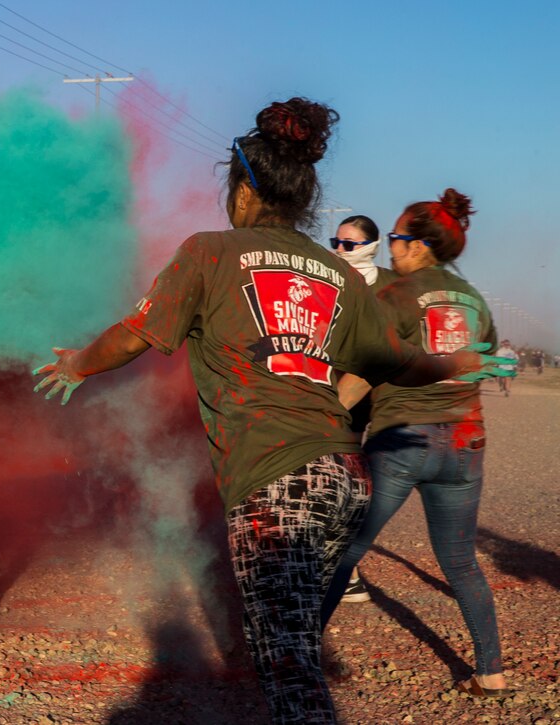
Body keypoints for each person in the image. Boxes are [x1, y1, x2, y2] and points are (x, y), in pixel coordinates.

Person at [33, 99, 511, 724]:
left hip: (274, 486)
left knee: (290, 677)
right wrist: (460, 364)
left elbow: (132, 335)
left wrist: (76, 366)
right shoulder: (337, 274)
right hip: (344, 478)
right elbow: (401, 362)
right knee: (295, 649)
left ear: (243, 191)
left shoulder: (208, 252)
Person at [322, 189, 510, 699]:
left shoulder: (395, 296)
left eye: (399, 240)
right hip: (466, 442)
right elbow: (487, 358)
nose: (392, 250)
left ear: (421, 246)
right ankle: (490, 671)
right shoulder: (473, 299)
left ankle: (298, 654)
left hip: (403, 440)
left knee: (346, 550)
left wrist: (324, 414)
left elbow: (363, 371)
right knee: (461, 560)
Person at [328, 213, 395, 604]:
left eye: (349, 244)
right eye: (335, 242)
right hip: (336, 392)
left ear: (370, 246)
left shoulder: (390, 285)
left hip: (378, 397)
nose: (339, 250)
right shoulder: (328, 277)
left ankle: (344, 570)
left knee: (364, 488)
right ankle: (343, 571)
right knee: (342, 481)